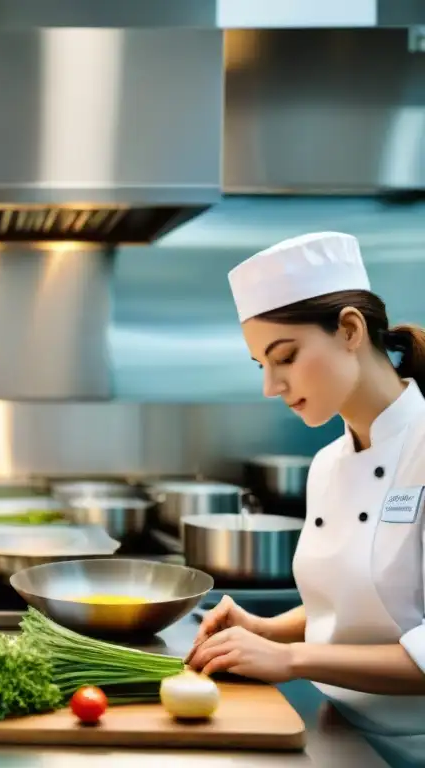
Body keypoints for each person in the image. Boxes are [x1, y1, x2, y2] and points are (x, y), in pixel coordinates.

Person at [187, 231, 425, 767]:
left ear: (349, 330)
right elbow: (359, 605)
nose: (271, 386)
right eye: (260, 365)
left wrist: (290, 657)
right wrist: (267, 630)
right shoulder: (327, 466)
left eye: (285, 357)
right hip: (334, 731)